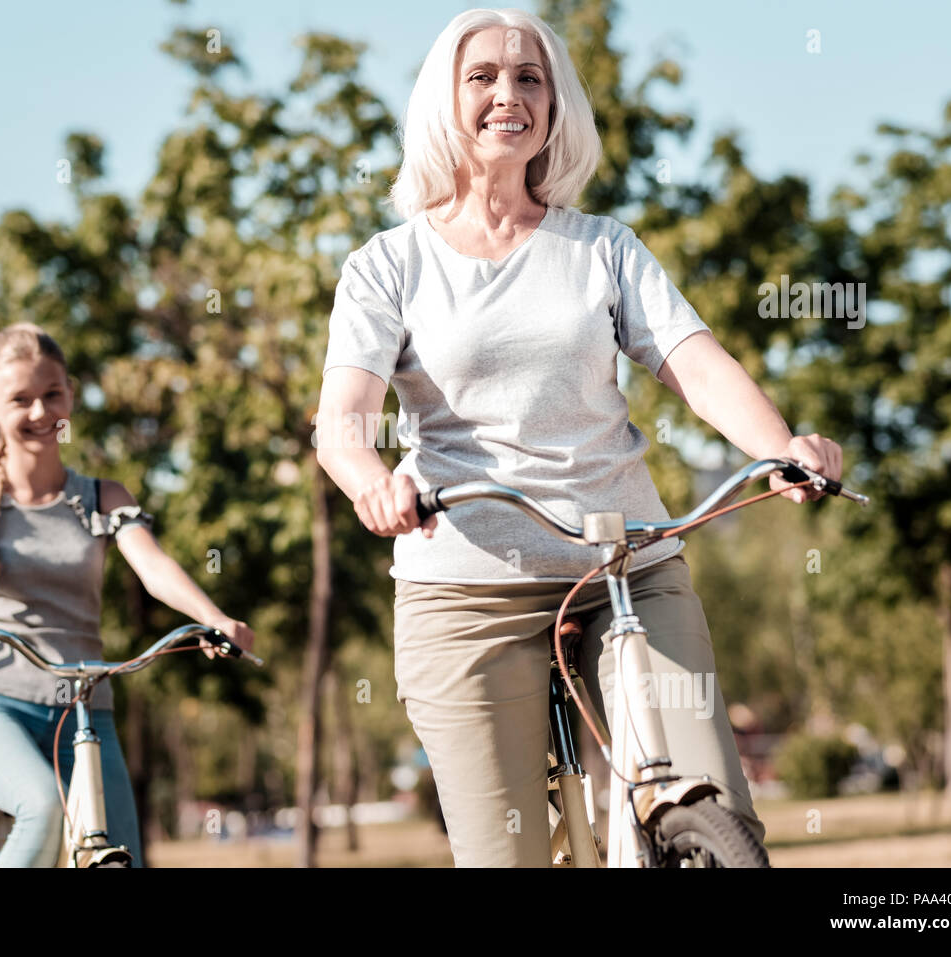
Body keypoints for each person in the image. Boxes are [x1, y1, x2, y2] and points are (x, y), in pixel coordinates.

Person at [315, 8, 841, 867]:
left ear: (555, 105)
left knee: (710, 798)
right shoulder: (389, 264)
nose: (508, 95)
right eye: (482, 76)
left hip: (626, 564)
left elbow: (696, 366)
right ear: (443, 100)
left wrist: (779, 445)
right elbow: (342, 420)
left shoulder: (603, 248)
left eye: (530, 77)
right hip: (466, 592)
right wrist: (370, 478)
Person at [0, 322, 254, 867]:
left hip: (90, 714)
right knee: (43, 808)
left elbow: (154, 567)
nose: (41, 412)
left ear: (70, 394)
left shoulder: (102, 497)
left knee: (120, 859)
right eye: (20, 399)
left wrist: (213, 618)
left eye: (52, 394)